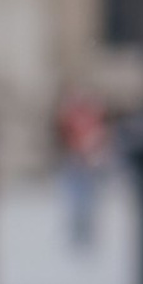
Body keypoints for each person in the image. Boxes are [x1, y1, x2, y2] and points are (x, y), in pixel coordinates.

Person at [52, 86, 110, 252]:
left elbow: (100, 135)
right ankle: (77, 232)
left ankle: (87, 232)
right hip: (74, 161)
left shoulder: (93, 115)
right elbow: (62, 134)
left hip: (88, 162)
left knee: (88, 200)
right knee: (75, 199)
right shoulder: (69, 116)